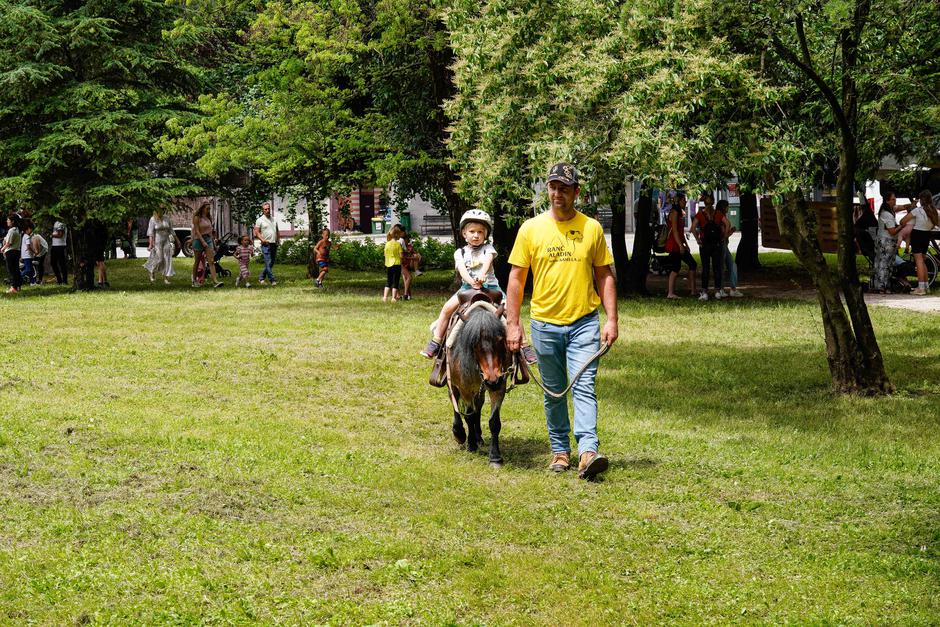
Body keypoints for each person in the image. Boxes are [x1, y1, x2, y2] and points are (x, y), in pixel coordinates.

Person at [506, 163, 618, 480]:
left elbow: (604, 276)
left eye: (565, 188)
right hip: (544, 324)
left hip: (584, 322)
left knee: (584, 386)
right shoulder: (531, 229)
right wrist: (513, 325)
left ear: (576, 192)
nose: (558, 194)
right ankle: (559, 451)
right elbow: (516, 279)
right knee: (554, 391)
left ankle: (588, 451)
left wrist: (612, 319)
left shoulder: (592, 229)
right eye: (553, 187)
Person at [421, 210, 501, 356]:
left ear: (485, 234)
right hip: (467, 288)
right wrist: (472, 282)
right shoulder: (460, 253)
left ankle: (523, 346)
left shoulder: (488, 249)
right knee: (446, 309)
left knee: (510, 311)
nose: (476, 235)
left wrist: (482, 276)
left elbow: (487, 263)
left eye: (480, 232)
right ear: (464, 234)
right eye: (472, 231)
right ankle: (436, 341)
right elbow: (462, 270)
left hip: (491, 287)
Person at [899, 190, 939, 295]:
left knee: (919, 262)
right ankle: (926, 286)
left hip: (917, 235)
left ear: (921, 199)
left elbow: (902, 221)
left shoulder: (917, 211)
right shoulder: (933, 211)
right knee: (923, 261)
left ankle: (921, 288)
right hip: (927, 235)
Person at [693, 194, 726, 301]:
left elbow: (693, 228)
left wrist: (698, 239)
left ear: (704, 202)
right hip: (717, 244)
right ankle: (717, 291)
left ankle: (705, 292)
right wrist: (723, 237)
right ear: (713, 202)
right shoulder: (718, 213)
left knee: (705, 268)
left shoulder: (700, 214)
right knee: (717, 268)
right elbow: (728, 224)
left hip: (705, 244)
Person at [665, 192, 697, 299]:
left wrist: (685, 244)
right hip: (674, 244)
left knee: (692, 264)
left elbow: (680, 231)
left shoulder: (679, 213)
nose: (685, 202)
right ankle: (670, 293)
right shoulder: (674, 212)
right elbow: (674, 231)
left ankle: (692, 290)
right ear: (678, 201)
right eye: (684, 200)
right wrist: (680, 245)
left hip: (678, 243)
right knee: (675, 268)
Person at [872, 193, 905, 293]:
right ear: (887, 201)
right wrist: (901, 225)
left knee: (887, 263)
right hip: (886, 241)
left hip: (886, 240)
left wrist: (909, 205)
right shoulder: (886, 214)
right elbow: (892, 231)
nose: (895, 201)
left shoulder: (889, 210)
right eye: (893, 200)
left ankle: (884, 285)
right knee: (884, 264)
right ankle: (882, 286)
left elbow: (899, 207)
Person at [191, 202, 223, 288]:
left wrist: (213, 243)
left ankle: (215, 281)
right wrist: (202, 241)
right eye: (207, 208)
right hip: (198, 240)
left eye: (209, 209)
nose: (209, 210)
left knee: (211, 261)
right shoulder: (197, 217)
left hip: (208, 239)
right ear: (202, 208)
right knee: (197, 261)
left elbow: (210, 231)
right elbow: (197, 231)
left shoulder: (209, 217)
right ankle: (194, 280)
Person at [143, 208, 179, 284]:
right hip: (157, 241)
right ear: (156, 211)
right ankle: (152, 272)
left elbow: (171, 230)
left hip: (166, 240)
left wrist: (177, 240)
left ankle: (166, 278)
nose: (162, 211)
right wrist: (150, 244)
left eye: (163, 210)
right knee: (159, 259)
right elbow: (150, 233)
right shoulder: (153, 219)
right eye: (160, 210)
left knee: (167, 259)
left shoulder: (167, 218)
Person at [717, 200, 744, 298]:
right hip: (722, 245)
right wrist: (730, 231)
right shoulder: (720, 217)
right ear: (724, 207)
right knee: (722, 267)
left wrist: (729, 232)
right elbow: (724, 233)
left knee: (731, 265)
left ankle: (732, 289)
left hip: (724, 245)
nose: (728, 208)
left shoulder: (720, 216)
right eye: (727, 206)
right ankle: (721, 289)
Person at [253, 201, 279, 285]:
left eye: (268, 209)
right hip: (266, 244)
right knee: (268, 262)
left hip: (274, 243)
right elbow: (256, 232)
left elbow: (277, 230)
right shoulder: (260, 220)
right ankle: (272, 280)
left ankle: (261, 278)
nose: (267, 210)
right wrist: (262, 240)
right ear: (263, 210)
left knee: (271, 262)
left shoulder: (274, 219)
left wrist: (278, 239)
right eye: (265, 209)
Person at [383, 224, 404, 302]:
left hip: (388, 264)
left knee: (388, 281)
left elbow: (384, 254)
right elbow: (401, 256)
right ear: (397, 235)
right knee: (396, 281)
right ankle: (393, 298)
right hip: (397, 264)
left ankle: (385, 297)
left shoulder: (387, 244)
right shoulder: (398, 244)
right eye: (399, 234)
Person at [1, 214, 22, 293]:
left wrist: (2, 249)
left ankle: (13, 287)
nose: (7, 221)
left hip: (11, 252)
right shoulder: (18, 230)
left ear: (12, 222)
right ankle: (18, 286)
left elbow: (8, 243)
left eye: (8, 220)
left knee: (12, 270)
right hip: (16, 252)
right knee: (16, 270)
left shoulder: (11, 230)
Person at [51, 219, 68, 285]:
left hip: (60, 245)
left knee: (62, 263)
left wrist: (52, 235)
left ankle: (64, 281)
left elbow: (60, 235)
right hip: (54, 245)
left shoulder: (62, 223)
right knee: (53, 263)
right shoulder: (56, 222)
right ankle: (59, 280)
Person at [20, 221, 35, 285]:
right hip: (27, 255)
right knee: (28, 269)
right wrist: (34, 252)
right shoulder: (27, 237)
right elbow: (28, 247)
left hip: (26, 255)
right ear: (28, 229)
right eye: (31, 229)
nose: (31, 231)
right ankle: (17, 278)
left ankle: (32, 282)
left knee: (31, 270)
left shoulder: (24, 236)